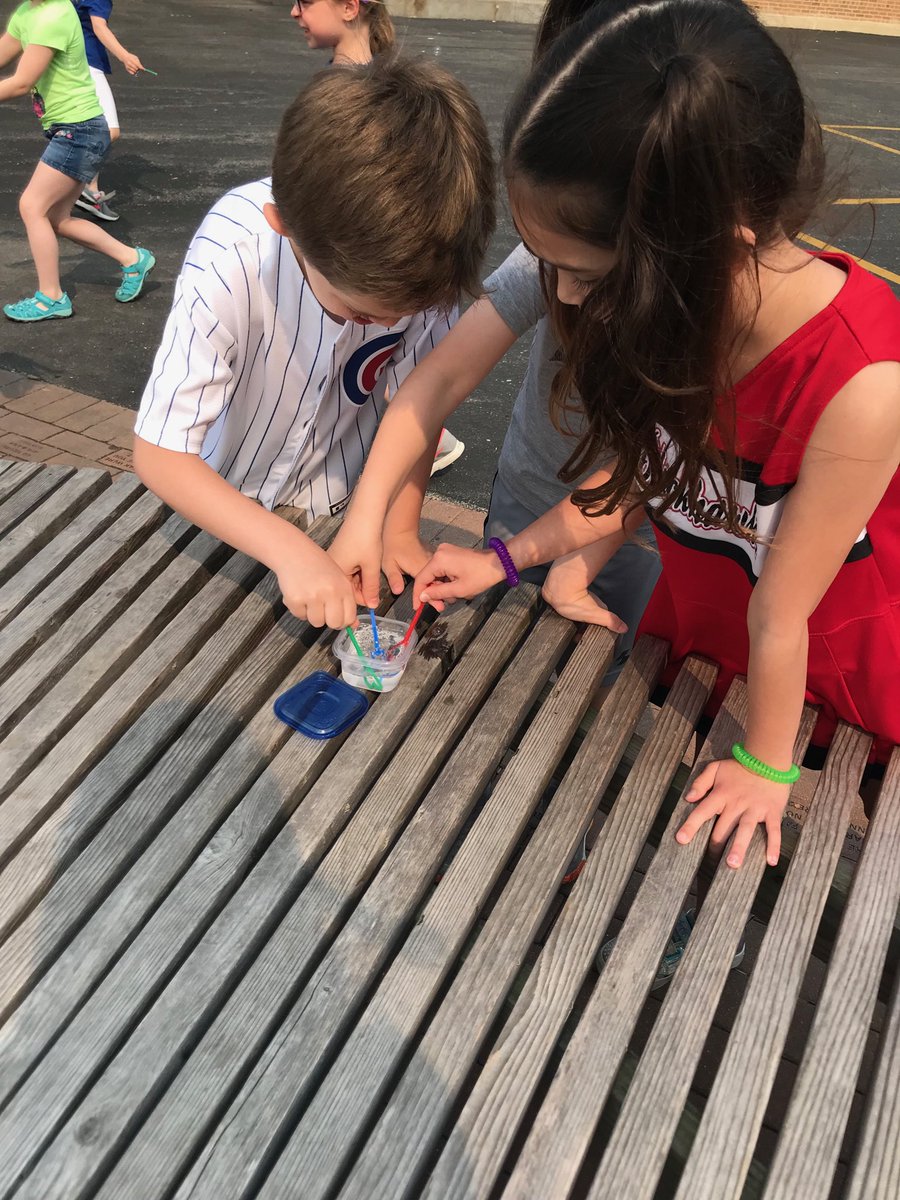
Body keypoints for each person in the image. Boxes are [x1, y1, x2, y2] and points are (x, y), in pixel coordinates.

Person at [335, 0, 900, 945]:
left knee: (808, 868)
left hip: (830, 673)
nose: (562, 297)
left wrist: (767, 765)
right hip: (718, 637)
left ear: (713, 240)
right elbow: (648, 484)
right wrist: (508, 558)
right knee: (692, 822)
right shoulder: (699, 309)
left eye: (586, 274)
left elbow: (784, 610)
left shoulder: (862, 386)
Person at [133, 57, 495, 632]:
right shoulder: (235, 254)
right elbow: (161, 453)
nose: (386, 324)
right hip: (219, 513)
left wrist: (398, 527)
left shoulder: (425, 269)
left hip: (336, 511)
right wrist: (286, 548)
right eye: (361, 312)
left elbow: (421, 402)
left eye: (401, 315)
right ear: (285, 226)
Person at [289, 0, 466, 476]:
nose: (293, 12)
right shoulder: (344, 85)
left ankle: (418, 437)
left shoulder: (388, 100)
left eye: (306, 2)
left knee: (370, 364)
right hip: (349, 277)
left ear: (350, 7)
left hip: (361, 272)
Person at [1, 0, 154, 322]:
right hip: (70, 129)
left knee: (33, 207)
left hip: (79, 131)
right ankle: (132, 258)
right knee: (57, 219)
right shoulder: (28, 12)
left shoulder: (55, 13)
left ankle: (51, 297)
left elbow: (21, 82)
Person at [72, 0, 144, 221]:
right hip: (87, 64)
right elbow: (99, 26)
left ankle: (90, 191)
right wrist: (125, 56)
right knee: (108, 131)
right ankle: (72, 187)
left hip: (70, 61)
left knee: (83, 128)